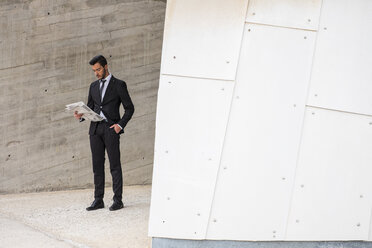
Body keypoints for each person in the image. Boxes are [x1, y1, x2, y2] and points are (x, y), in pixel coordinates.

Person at [74, 55, 134, 211]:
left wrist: (119, 126)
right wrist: (81, 115)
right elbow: (90, 108)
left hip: (110, 129)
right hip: (95, 130)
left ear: (106, 66)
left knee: (114, 165)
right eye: (94, 70)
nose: (96, 73)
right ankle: (98, 199)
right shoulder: (93, 86)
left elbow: (130, 108)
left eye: (98, 69)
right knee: (97, 166)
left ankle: (118, 200)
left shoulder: (119, 85)